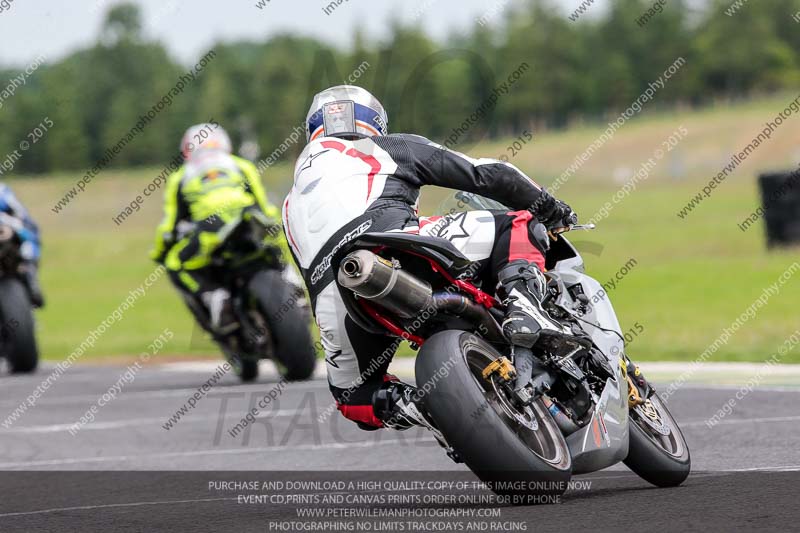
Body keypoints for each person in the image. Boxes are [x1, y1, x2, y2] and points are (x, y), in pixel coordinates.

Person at [282, 85, 576, 431]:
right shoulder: (382, 146)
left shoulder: (289, 204)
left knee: (355, 399)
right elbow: (487, 174)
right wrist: (552, 208)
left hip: (338, 297)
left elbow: (305, 271)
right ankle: (524, 305)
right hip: (393, 242)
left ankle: (424, 408)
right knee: (517, 223)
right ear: (374, 122)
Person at [150, 123, 285, 335]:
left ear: (187, 149)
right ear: (225, 144)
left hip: (210, 230)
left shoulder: (181, 177)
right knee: (277, 245)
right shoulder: (241, 165)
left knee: (175, 263)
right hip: (249, 220)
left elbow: (170, 227)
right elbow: (263, 204)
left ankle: (214, 296)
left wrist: (159, 252)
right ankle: (292, 281)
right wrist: (274, 224)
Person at [0, 183, 44, 307]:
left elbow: (23, 217)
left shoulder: (2, 191)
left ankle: (31, 281)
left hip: (12, 235)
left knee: (30, 235)